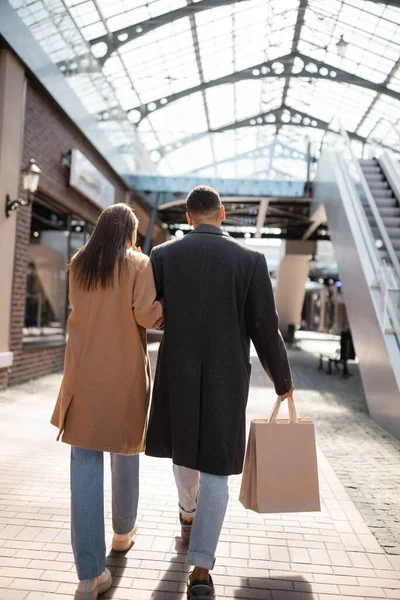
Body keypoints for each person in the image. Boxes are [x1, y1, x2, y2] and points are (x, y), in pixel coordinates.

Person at [146, 186, 293, 599]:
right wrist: (283, 382)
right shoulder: (250, 261)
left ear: (189, 217)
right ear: (222, 214)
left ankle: (187, 513)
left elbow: (150, 313)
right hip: (228, 379)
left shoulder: (164, 256)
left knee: (182, 451)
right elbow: (265, 328)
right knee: (216, 471)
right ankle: (201, 569)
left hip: (178, 373)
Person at [51, 203, 163, 600]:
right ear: (129, 234)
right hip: (123, 380)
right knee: (126, 452)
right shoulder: (137, 263)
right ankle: (122, 534)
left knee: (84, 467)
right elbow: (148, 316)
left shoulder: (79, 264)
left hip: (81, 380)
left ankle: (88, 575)